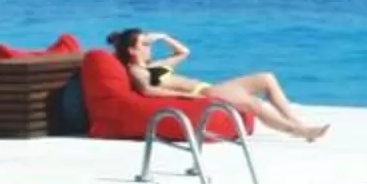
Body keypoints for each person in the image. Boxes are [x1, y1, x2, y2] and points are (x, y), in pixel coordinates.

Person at [106, 27, 330, 142]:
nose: (149, 46)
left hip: (208, 87)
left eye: (148, 42)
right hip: (202, 93)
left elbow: (184, 52)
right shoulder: (137, 70)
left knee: (267, 78)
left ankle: (296, 122)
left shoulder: (156, 63)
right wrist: (185, 97)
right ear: (132, 50)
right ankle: (300, 132)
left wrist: (163, 37)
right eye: (144, 44)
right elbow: (147, 89)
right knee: (253, 105)